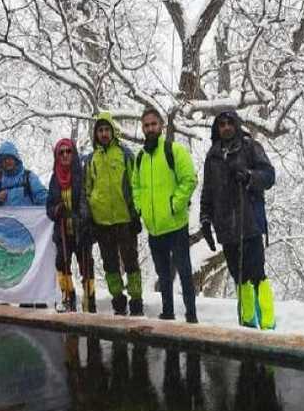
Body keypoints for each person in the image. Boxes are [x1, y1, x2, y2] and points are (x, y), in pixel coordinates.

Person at [199, 109, 276, 329]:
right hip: (225, 228)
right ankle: (248, 322)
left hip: (249, 222)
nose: (225, 127)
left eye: (229, 123)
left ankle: (268, 324)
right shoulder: (212, 156)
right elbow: (208, 191)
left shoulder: (250, 147)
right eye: (221, 124)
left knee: (257, 274)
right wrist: (205, 219)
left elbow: (269, 176)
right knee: (238, 277)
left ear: (236, 124)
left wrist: (250, 177)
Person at [131, 107, 198, 323]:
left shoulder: (174, 150)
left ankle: (191, 315)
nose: (150, 128)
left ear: (161, 126)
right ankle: (168, 313)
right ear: (142, 128)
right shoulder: (140, 158)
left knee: (185, 273)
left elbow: (189, 179)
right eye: (146, 125)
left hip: (176, 225)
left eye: (153, 124)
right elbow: (136, 187)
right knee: (163, 275)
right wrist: (141, 209)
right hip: (154, 228)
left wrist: (174, 205)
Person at [84, 112, 143, 316]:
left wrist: (136, 214)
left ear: (112, 131)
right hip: (102, 222)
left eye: (106, 129)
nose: (103, 133)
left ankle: (136, 301)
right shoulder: (91, 159)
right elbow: (87, 188)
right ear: (96, 134)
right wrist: (91, 215)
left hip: (125, 219)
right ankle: (118, 300)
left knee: (131, 262)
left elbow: (136, 185)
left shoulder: (126, 154)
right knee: (109, 264)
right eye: (100, 130)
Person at [46, 139, 95, 313]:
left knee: (86, 265)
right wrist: (56, 210)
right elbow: (49, 207)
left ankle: (90, 299)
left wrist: (83, 217)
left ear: (73, 153)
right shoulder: (54, 179)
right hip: (62, 232)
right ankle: (69, 296)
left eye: (68, 151)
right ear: (57, 156)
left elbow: (88, 200)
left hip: (81, 230)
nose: (65, 155)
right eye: (61, 152)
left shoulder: (81, 175)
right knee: (62, 265)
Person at [0, 141, 48, 207]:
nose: (7, 161)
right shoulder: (0, 183)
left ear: (16, 159)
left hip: (28, 217)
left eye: (9, 158)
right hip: (7, 217)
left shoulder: (28, 177)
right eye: (4, 159)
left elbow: (42, 198)